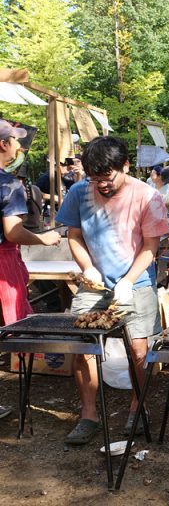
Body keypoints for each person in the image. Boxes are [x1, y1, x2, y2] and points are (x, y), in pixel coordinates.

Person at [55, 136, 169, 444]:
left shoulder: (147, 196)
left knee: (138, 350)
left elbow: (150, 247)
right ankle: (89, 415)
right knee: (82, 346)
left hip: (137, 281)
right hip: (95, 283)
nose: (101, 185)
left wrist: (129, 280)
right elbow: (74, 235)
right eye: (95, 179)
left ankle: (138, 406)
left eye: (107, 178)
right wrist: (87, 267)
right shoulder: (80, 192)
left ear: (126, 166)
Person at [0, 120, 62, 420]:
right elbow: (12, 232)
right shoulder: (8, 183)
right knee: (9, 328)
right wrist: (43, 238)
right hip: (2, 262)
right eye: (15, 139)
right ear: (4, 144)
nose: (19, 145)